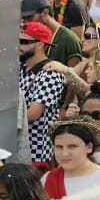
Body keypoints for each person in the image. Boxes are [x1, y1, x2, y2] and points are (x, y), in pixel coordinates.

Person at [20, 22, 68, 168]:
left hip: (36, 152)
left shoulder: (50, 74)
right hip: (18, 147)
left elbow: (33, 114)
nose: (18, 45)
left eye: (24, 42)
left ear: (40, 45)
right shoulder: (20, 68)